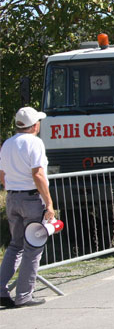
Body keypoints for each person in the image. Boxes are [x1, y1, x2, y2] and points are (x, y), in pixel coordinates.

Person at [0, 107, 55, 308]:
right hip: (31, 198)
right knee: (33, 247)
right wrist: (48, 203)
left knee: (15, 245)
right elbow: (38, 174)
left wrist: (11, 189)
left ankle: (1, 289)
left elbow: (2, 174)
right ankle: (24, 295)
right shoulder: (35, 143)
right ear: (35, 125)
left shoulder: (7, 144)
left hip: (12, 197)